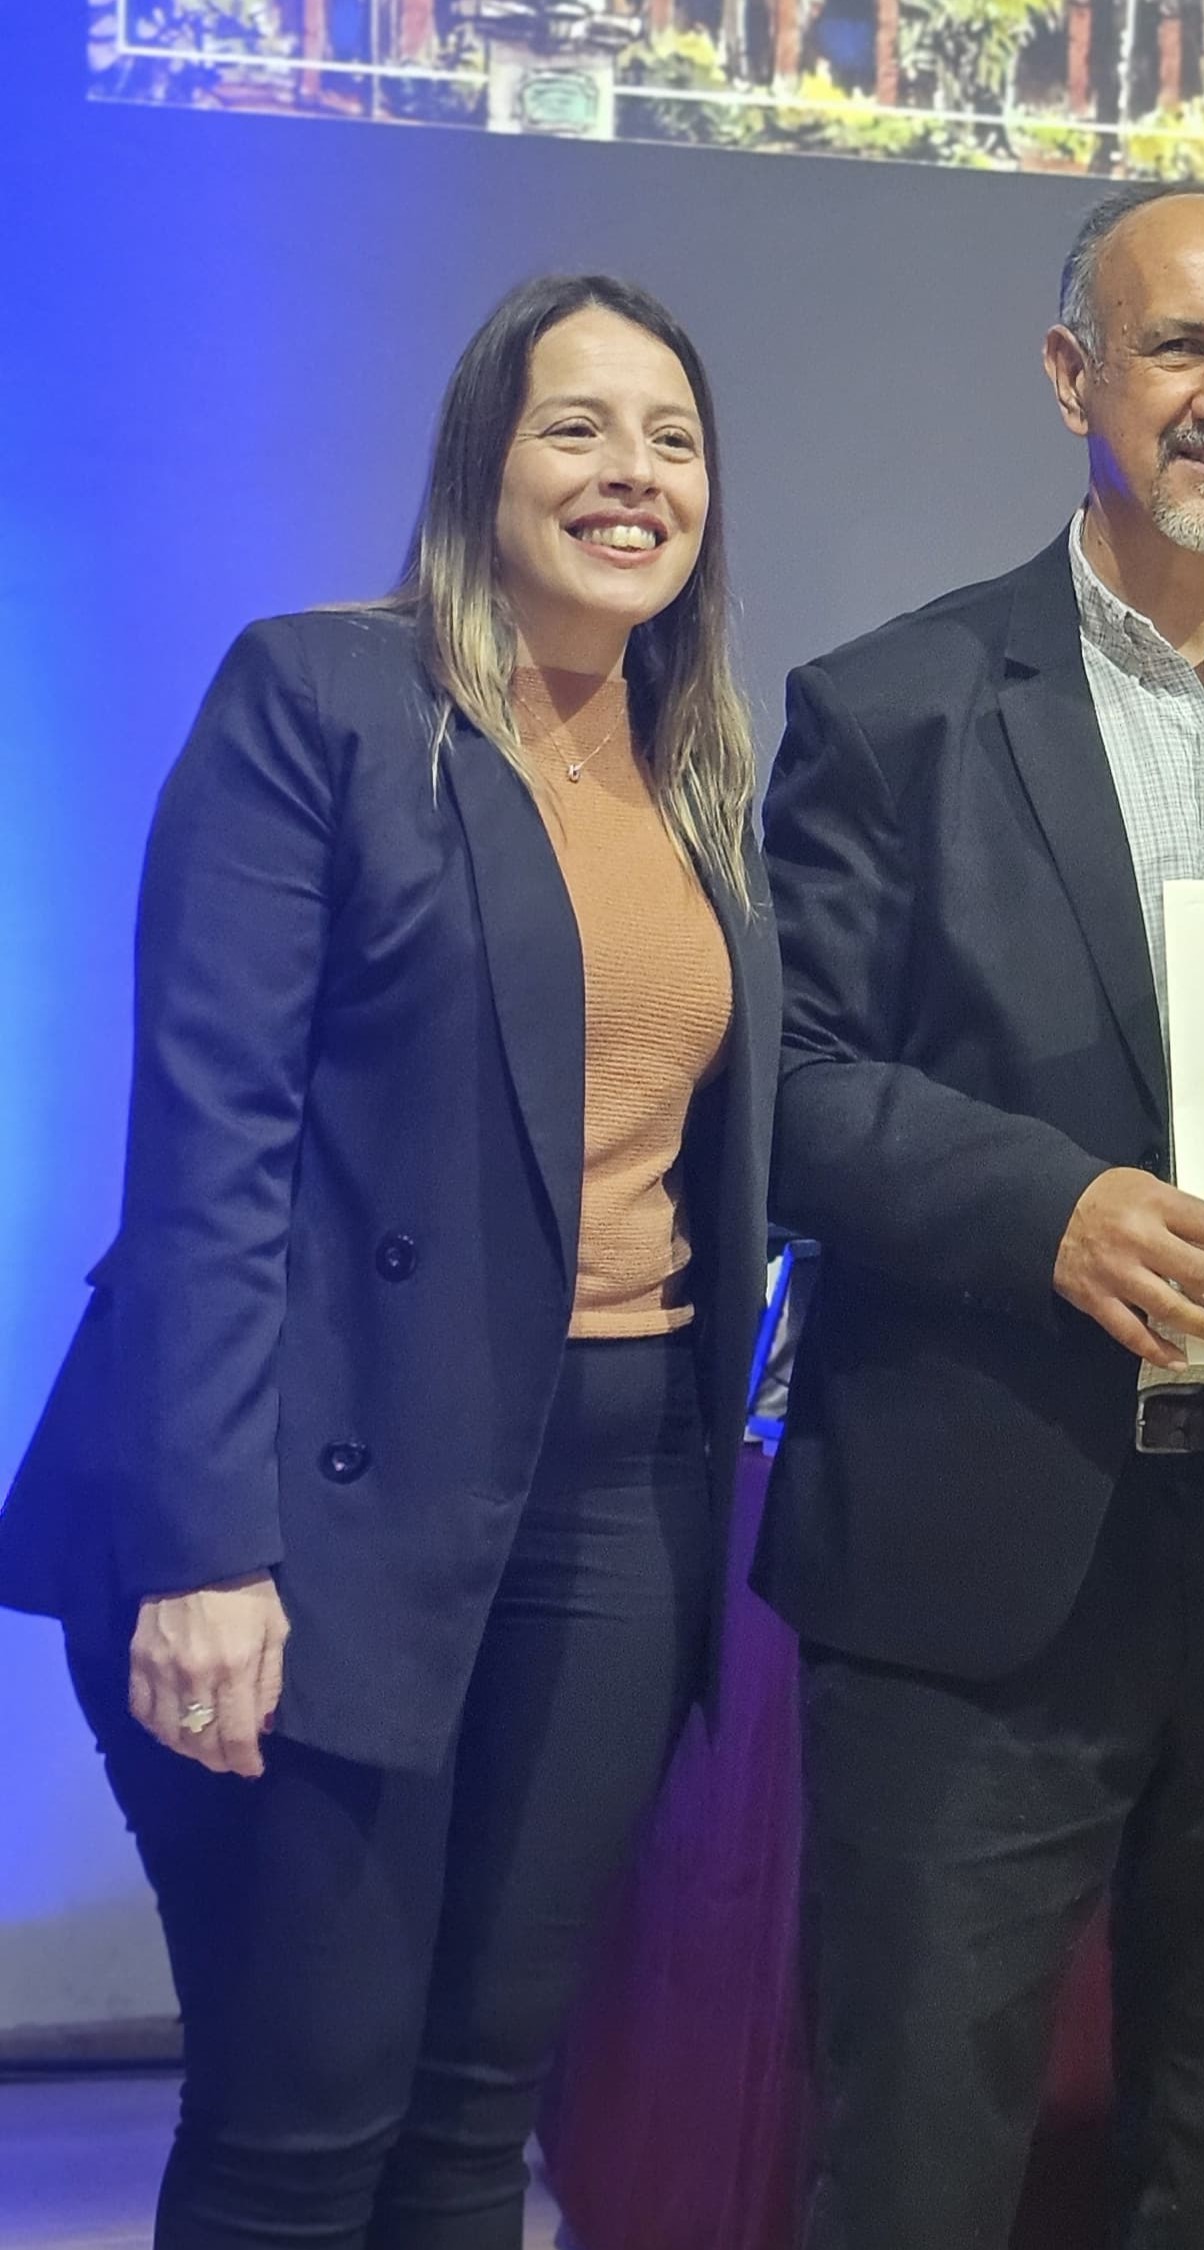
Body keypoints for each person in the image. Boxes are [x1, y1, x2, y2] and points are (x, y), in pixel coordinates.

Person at [0, 273, 779, 2249]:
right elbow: (211, 1142)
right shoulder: (326, 698)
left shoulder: (695, 767)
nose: (633, 475)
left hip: (608, 1507)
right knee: (303, 2124)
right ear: (480, 465)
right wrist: (206, 1548)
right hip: (309, 1508)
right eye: (578, 428)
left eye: (671, 439)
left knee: (469, 2118)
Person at [756, 184, 1204, 2250]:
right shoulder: (889, 705)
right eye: (1179, 349)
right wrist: (1046, 1206)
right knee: (919, 2155)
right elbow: (780, 1086)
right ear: (1076, 374)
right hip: (977, 1558)